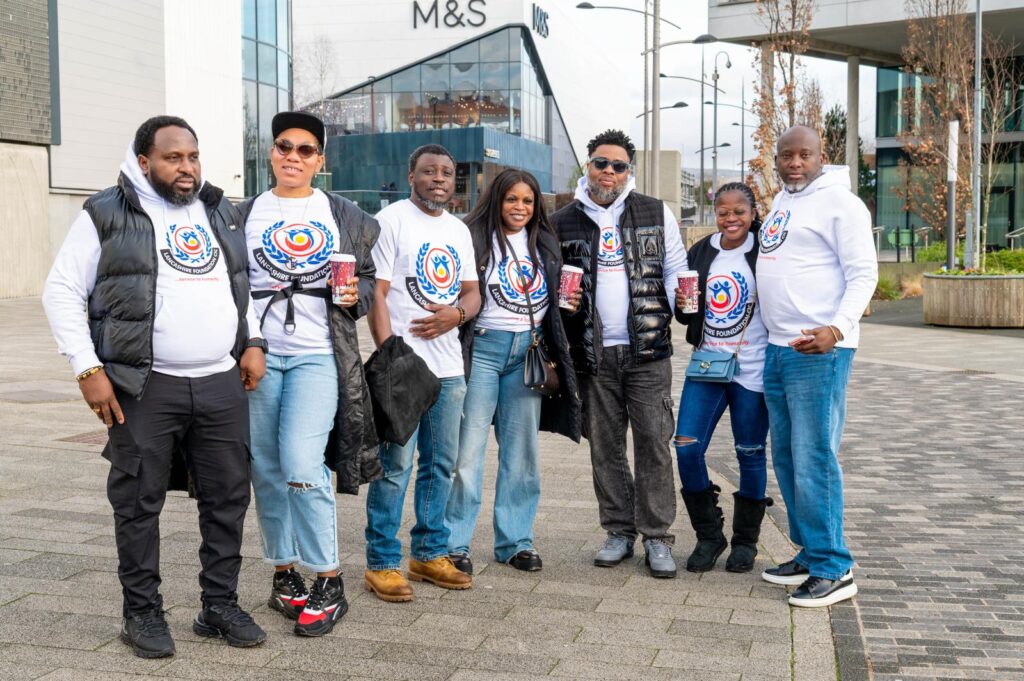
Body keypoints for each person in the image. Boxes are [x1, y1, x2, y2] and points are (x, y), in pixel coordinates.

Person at [41, 116, 267, 658]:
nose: (186, 167)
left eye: (192, 156)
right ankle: (141, 613)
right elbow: (61, 290)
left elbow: (242, 284)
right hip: (144, 385)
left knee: (228, 497)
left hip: (219, 381)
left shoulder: (219, 209)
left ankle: (219, 606)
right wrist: (88, 369)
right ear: (144, 162)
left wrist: (253, 339)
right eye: (173, 158)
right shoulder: (106, 212)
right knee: (138, 501)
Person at [236, 111, 380, 637]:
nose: (292, 157)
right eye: (283, 146)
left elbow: (369, 281)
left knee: (301, 463)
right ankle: (284, 574)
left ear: (320, 160)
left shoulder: (346, 215)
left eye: (304, 150)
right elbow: (229, 283)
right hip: (258, 355)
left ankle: (329, 579)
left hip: (319, 354)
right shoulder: (242, 214)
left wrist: (356, 295)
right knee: (267, 468)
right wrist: (248, 342)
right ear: (271, 153)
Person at [551, 129, 688, 578]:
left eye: (618, 165)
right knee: (605, 448)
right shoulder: (562, 219)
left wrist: (683, 304)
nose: (608, 171)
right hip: (592, 354)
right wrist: (562, 305)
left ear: (629, 171)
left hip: (647, 351)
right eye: (600, 163)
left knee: (654, 444)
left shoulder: (655, 211)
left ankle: (658, 537)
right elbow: (552, 281)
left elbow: (675, 269)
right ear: (587, 166)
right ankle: (618, 531)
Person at [757, 125, 877, 607]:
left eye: (804, 155)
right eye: (786, 155)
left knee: (814, 456)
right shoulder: (783, 202)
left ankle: (834, 567)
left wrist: (837, 329)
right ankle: (810, 552)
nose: (794, 163)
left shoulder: (841, 203)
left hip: (818, 349)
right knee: (787, 456)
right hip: (779, 347)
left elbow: (864, 273)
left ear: (821, 156)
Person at [445, 169, 582, 575]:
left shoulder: (544, 240)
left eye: (527, 200)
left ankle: (515, 541)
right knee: (466, 453)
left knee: (522, 455)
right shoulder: (472, 236)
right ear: (496, 200)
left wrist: (569, 305)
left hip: (528, 352)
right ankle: (453, 543)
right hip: (483, 349)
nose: (519, 207)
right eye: (511, 199)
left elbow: (556, 299)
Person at [364, 144, 482, 601]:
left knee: (440, 466)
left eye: (447, 173)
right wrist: (389, 356)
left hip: (449, 369)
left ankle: (429, 554)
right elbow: (376, 293)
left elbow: (471, 293)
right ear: (411, 176)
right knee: (395, 466)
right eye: (429, 171)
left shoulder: (458, 229)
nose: (439, 179)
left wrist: (457, 314)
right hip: (405, 365)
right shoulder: (391, 221)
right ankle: (382, 563)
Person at [673, 182, 773, 574]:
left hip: (752, 366)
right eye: (723, 212)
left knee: (750, 452)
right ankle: (709, 535)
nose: (731, 219)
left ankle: (745, 541)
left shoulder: (766, 249)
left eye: (739, 212)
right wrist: (683, 306)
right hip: (707, 364)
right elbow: (686, 311)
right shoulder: (702, 250)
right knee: (686, 447)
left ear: (753, 213)